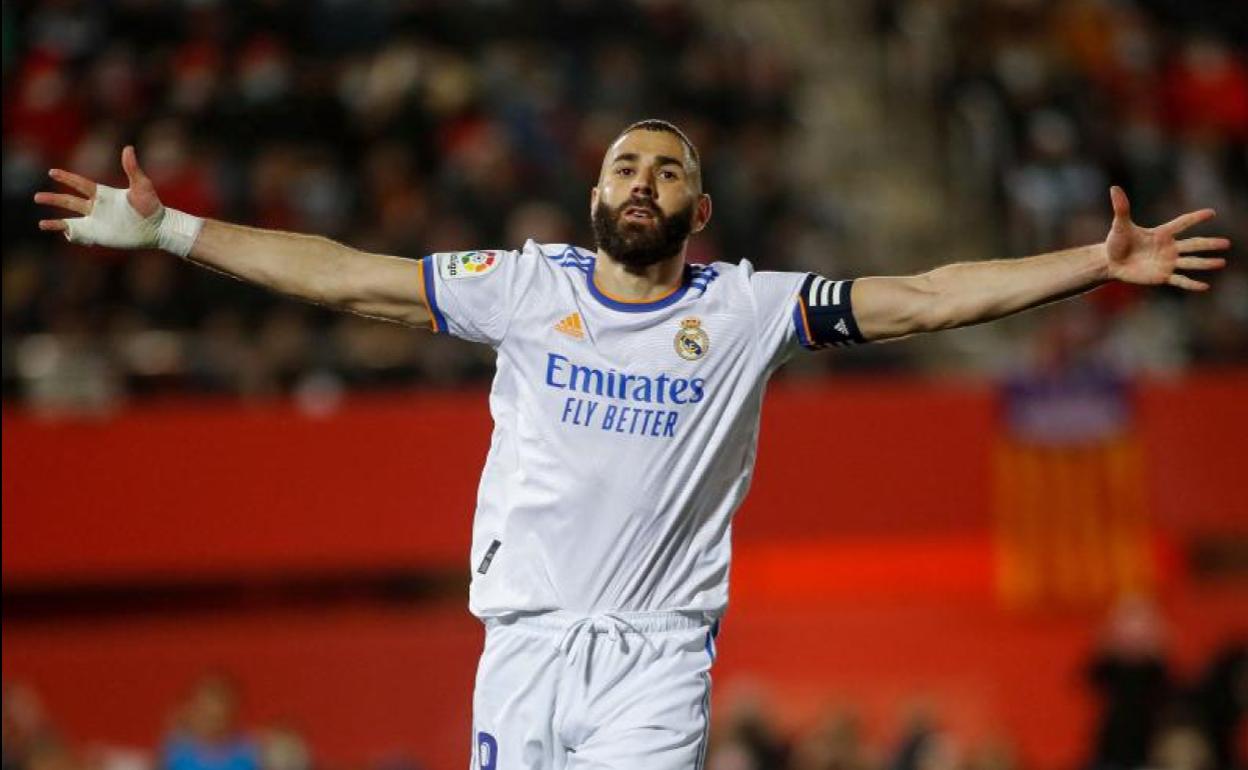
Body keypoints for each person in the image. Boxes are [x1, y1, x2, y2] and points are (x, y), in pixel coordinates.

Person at [36, 119, 1230, 770]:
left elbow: (923, 295)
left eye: (670, 169)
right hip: (520, 646)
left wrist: (1091, 262)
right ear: (595, 194)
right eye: (626, 163)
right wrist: (173, 231)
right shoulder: (520, 285)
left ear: (701, 212)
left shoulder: (751, 307)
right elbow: (351, 277)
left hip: (655, 660)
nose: (645, 178)